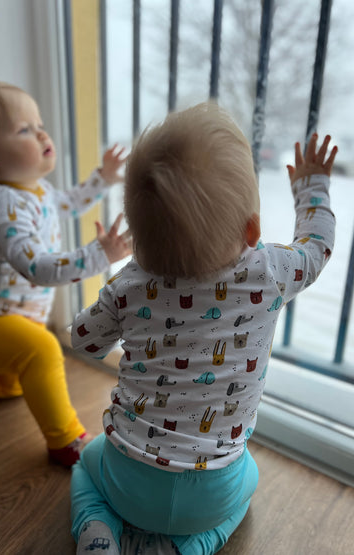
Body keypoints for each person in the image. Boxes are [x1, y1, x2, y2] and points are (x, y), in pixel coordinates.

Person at [70, 102, 337, 555]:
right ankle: (190, 547)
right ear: (252, 228)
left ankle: (97, 533)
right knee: (248, 481)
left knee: (85, 465)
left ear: (139, 234)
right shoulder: (270, 271)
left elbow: (84, 341)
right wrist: (312, 187)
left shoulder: (128, 284)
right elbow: (316, 248)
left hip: (127, 478)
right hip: (211, 492)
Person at [0, 80, 131, 467]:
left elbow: (69, 203)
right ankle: (66, 442)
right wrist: (97, 255)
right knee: (40, 350)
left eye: (38, 123)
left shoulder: (34, 189)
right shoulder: (1, 209)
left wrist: (102, 179)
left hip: (9, 319)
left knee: (14, 382)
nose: (42, 132)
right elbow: (38, 269)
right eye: (24, 129)